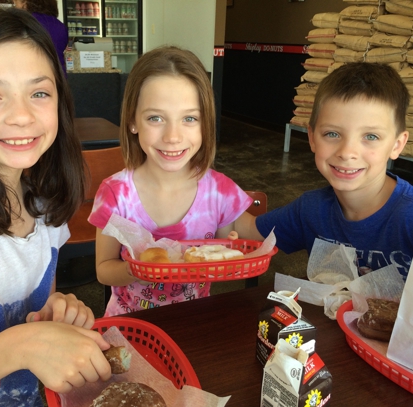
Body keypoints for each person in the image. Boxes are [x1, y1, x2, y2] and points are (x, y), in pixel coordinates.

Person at [0, 7, 111, 407]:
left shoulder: (44, 203)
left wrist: (58, 313)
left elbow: (40, 308)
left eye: (39, 92)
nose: (21, 115)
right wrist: (19, 346)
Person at [89, 46, 256, 316]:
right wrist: (137, 270)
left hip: (194, 324)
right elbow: (103, 270)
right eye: (156, 118)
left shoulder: (219, 191)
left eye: (189, 118)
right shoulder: (115, 194)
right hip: (129, 324)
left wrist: (227, 252)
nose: (173, 137)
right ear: (133, 121)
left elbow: (230, 250)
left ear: (205, 124)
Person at [252, 62, 413, 281]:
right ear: (312, 138)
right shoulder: (311, 209)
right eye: (332, 134)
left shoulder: (408, 217)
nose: (347, 152)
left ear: (396, 145)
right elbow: (247, 230)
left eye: (371, 137)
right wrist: (204, 188)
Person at [14, 0, 68, 76]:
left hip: (33, 76)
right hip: (58, 77)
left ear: (25, 3)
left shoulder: (23, 23)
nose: (15, 7)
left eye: (16, 3)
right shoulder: (61, 26)